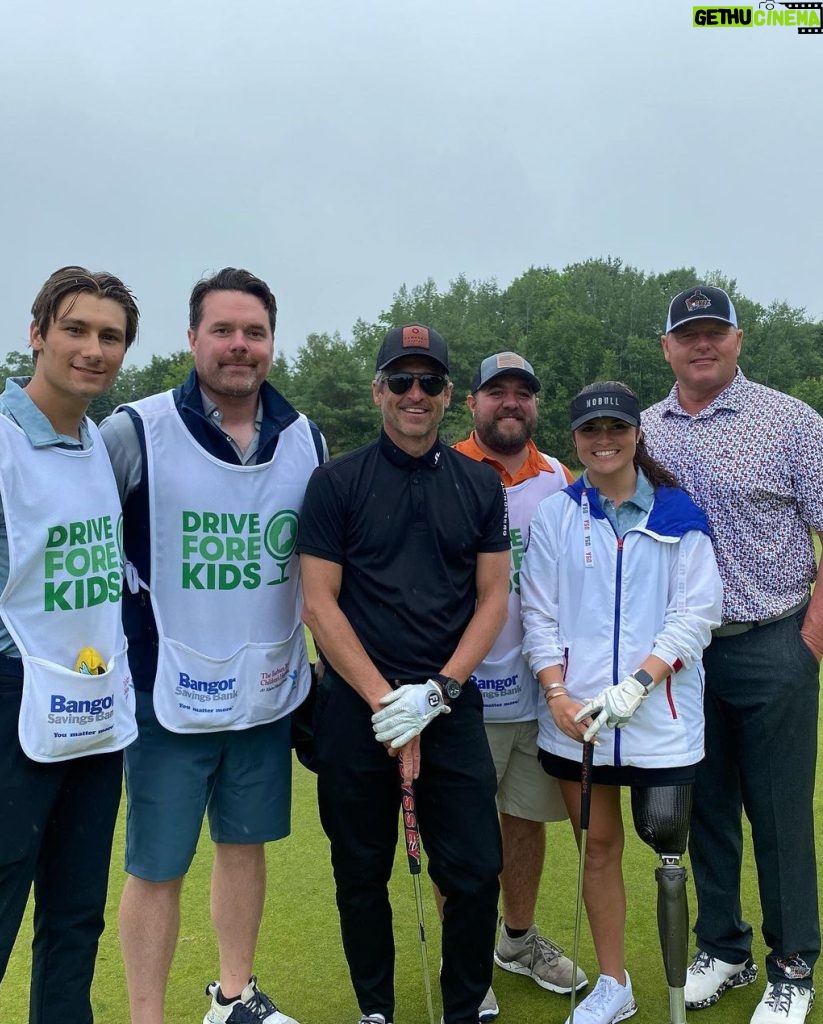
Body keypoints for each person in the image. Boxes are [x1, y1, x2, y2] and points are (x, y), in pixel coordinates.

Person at [99, 267, 325, 1024]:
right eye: (222, 331)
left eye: (253, 333)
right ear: (192, 337)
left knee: (244, 846)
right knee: (156, 866)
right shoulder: (136, 430)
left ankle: (234, 996)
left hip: (264, 688)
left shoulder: (305, 437)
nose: (239, 346)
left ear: (271, 343)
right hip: (165, 688)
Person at [297, 323, 510, 1024]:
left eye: (428, 382)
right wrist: (386, 701)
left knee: (475, 872)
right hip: (356, 712)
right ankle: (375, 1010)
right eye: (400, 381)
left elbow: (492, 597)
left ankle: (462, 1005)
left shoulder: (480, 484)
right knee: (360, 874)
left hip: (448, 707)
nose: (413, 394)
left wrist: (437, 692)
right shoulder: (334, 483)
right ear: (378, 391)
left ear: (448, 394)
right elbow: (318, 602)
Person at [0, 265, 140, 1024]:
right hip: (4, 704)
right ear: (37, 335)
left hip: (91, 706)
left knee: (75, 919)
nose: (93, 349)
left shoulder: (95, 438)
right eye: (76, 330)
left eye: (110, 336)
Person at [642, 285, 823, 1024]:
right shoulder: (641, 430)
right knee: (703, 809)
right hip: (684, 658)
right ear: (666, 349)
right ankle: (723, 945)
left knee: (779, 814)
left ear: (737, 340)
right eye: (687, 335)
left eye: (714, 332)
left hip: (773, 640)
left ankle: (791, 962)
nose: (701, 344)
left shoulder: (790, 422)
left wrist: (809, 642)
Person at [520, 381, 723, 1024]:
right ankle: (615, 983)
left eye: (616, 427)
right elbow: (539, 614)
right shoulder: (558, 514)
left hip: (661, 722)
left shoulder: (678, 513)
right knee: (599, 848)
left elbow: (696, 615)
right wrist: (555, 692)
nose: (603, 440)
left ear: (637, 433)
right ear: (574, 439)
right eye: (589, 430)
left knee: (668, 851)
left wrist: (639, 681)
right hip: (576, 722)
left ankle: (683, 975)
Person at [449, 351, 587, 1013]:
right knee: (461, 829)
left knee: (524, 824)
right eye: (495, 392)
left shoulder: (559, 477)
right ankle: (463, 956)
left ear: (534, 405)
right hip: (461, 691)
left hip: (540, 692)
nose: (510, 403)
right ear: (470, 403)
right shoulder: (442, 470)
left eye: (522, 393)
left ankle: (515, 937)